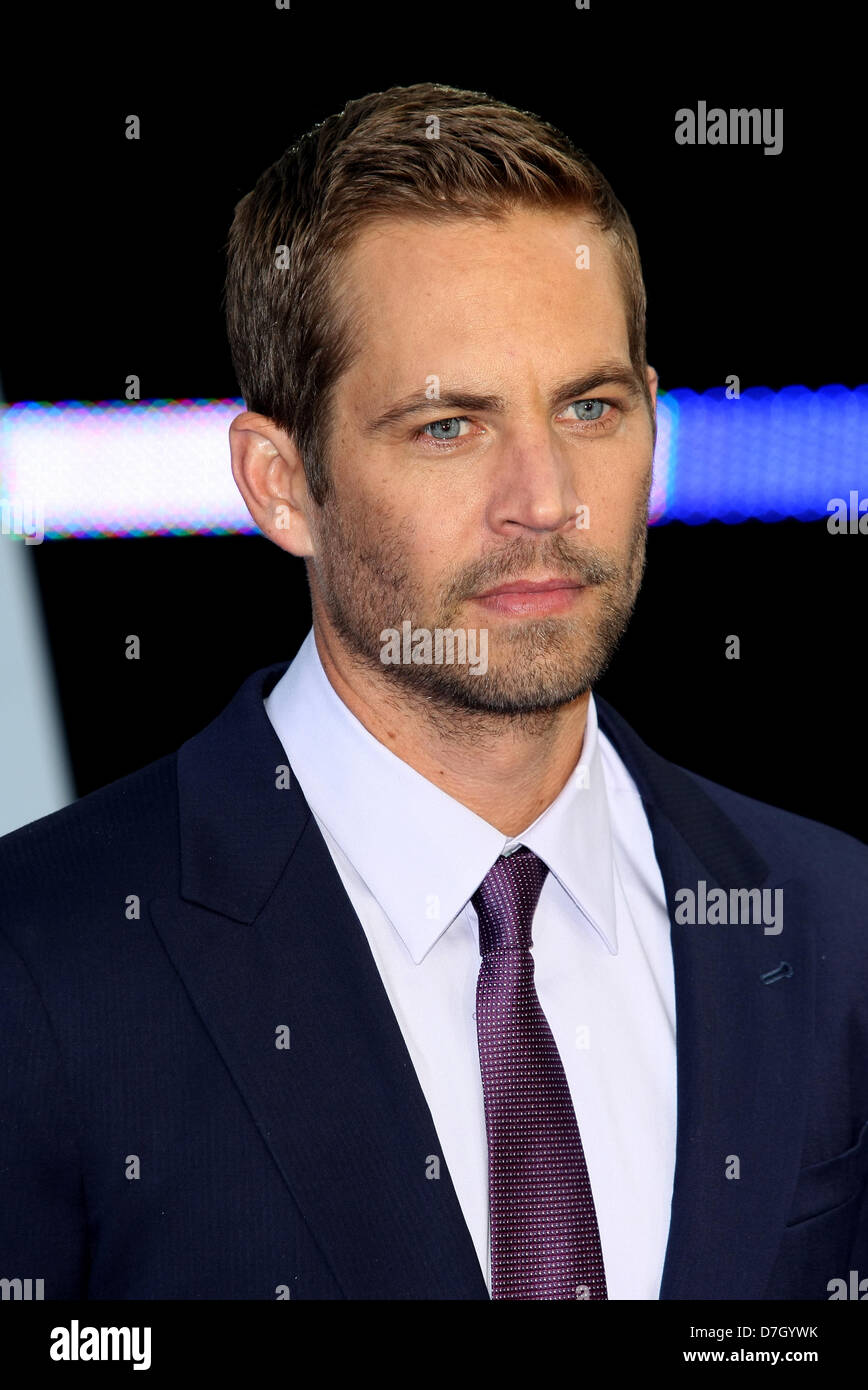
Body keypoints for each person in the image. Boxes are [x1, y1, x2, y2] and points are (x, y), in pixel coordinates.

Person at [1, 82, 866, 1302]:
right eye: (448, 425)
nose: (545, 496)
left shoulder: (834, 924)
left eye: (590, 406)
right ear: (279, 483)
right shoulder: (38, 959)